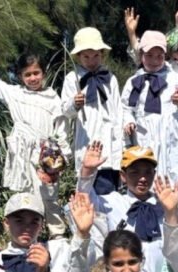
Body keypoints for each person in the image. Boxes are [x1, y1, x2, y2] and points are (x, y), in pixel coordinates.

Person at [0, 32, 71, 237]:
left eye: (36, 73)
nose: (32, 78)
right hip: (22, 155)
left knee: (49, 196)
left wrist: (62, 158)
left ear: (44, 73)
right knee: (26, 198)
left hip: (46, 155)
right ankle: (30, 238)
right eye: (27, 74)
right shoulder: (15, 94)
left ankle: (57, 236)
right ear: (21, 76)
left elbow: (61, 130)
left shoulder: (52, 99)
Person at [77, 143, 171, 272]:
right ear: (123, 176)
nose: (143, 178)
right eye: (135, 172)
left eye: (148, 172)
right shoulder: (113, 202)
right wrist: (87, 172)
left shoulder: (163, 205)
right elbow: (85, 200)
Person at [120, 31, 178, 195]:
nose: (154, 60)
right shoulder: (133, 81)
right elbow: (125, 107)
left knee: (172, 186)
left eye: (159, 56)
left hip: (170, 139)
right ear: (141, 55)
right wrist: (128, 121)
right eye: (149, 55)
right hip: (144, 139)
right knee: (146, 182)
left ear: (165, 55)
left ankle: (174, 217)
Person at [61, 27, 123, 195]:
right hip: (87, 141)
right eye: (86, 56)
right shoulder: (72, 79)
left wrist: (121, 147)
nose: (91, 60)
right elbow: (66, 111)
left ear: (102, 54)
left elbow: (118, 111)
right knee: (87, 193)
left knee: (110, 195)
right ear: (78, 56)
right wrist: (74, 104)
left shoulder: (110, 78)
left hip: (110, 146)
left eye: (96, 55)